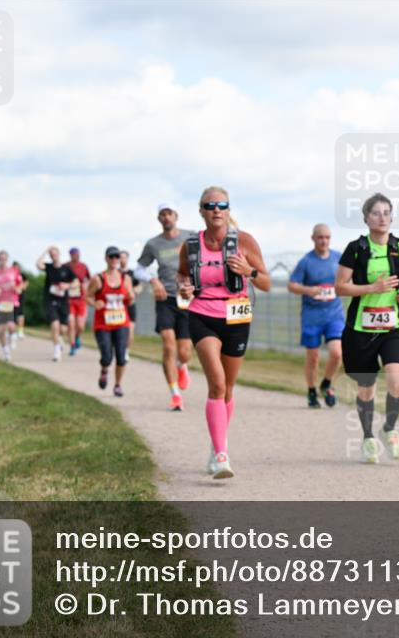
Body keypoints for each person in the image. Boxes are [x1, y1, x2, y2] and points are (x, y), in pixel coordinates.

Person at [177, 186, 270, 479]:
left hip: (236, 316)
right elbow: (182, 275)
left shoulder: (244, 241)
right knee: (216, 383)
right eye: (210, 205)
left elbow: (266, 283)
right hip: (203, 314)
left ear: (229, 210)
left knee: (228, 388)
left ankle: (218, 443)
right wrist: (183, 287)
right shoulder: (191, 245)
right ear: (202, 211)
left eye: (222, 205)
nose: (216, 209)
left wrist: (248, 271)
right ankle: (221, 456)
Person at [334, 193, 399, 464]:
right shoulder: (356, 249)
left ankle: (389, 428)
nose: (382, 217)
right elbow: (340, 287)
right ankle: (368, 436)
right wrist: (373, 288)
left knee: (397, 381)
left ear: (392, 217)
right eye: (376, 213)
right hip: (360, 329)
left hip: (394, 327)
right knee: (366, 387)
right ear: (366, 218)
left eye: (386, 212)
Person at [135, 203, 196, 411]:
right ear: (159, 219)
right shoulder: (153, 244)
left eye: (169, 213)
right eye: (162, 214)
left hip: (187, 297)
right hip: (165, 299)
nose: (166, 217)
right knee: (168, 345)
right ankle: (175, 394)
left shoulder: (191, 236)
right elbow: (139, 270)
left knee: (185, 351)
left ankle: (182, 365)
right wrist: (153, 281)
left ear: (176, 216)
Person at [289, 224, 345, 408]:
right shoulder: (306, 261)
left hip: (334, 314)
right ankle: (312, 391)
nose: (324, 241)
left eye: (327, 237)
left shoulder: (338, 258)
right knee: (313, 357)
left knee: (337, 353)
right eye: (320, 237)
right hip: (312, 316)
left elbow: (348, 279)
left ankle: (327, 383)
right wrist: (308, 290)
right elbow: (292, 285)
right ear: (313, 238)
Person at [86, 246, 133, 397]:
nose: (114, 260)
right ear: (106, 258)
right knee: (107, 356)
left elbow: (130, 300)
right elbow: (87, 296)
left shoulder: (126, 279)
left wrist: (131, 297)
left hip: (121, 323)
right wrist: (94, 304)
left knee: (121, 355)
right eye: (111, 257)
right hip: (103, 324)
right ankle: (104, 369)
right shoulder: (98, 279)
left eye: (117, 257)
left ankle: (118, 385)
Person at [37, 246, 74, 361]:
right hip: (50, 300)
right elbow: (38, 264)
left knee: (62, 329)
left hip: (63, 301)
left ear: (59, 254)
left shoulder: (66, 269)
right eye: (51, 255)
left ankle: (59, 339)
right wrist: (45, 251)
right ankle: (57, 350)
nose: (53, 256)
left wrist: (67, 285)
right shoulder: (48, 267)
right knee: (54, 325)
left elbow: (76, 282)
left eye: (55, 254)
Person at [0, 251, 24, 362]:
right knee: (2, 329)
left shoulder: (14, 271)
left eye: (4, 259)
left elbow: (21, 284)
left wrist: (17, 288)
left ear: (7, 259)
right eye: (0, 259)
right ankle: (6, 351)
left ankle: (13, 336)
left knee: (12, 325)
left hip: (12, 302)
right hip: (0, 303)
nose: (2, 261)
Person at [64, 247, 91, 356]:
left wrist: (86, 286)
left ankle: (77, 336)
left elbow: (89, 279)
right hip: (69, 299)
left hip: (81, 299)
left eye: (78, 254)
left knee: (80, 326)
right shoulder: (65, 266)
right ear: (70, 255)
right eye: (74, 254)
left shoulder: (83, 266)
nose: (77, 256)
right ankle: (72, 345)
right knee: (71, 323)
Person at [119, 249, 142, 362]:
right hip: (118, 307)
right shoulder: (115, 273)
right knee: (117, 331)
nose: (122, 259)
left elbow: (139, 287)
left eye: (124, 257)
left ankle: (126, 351)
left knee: (130, 330)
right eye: (120, 257)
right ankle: (118, 350)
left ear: (127, 259)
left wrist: (132, 291)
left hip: (130, 305)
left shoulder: (133, 274)